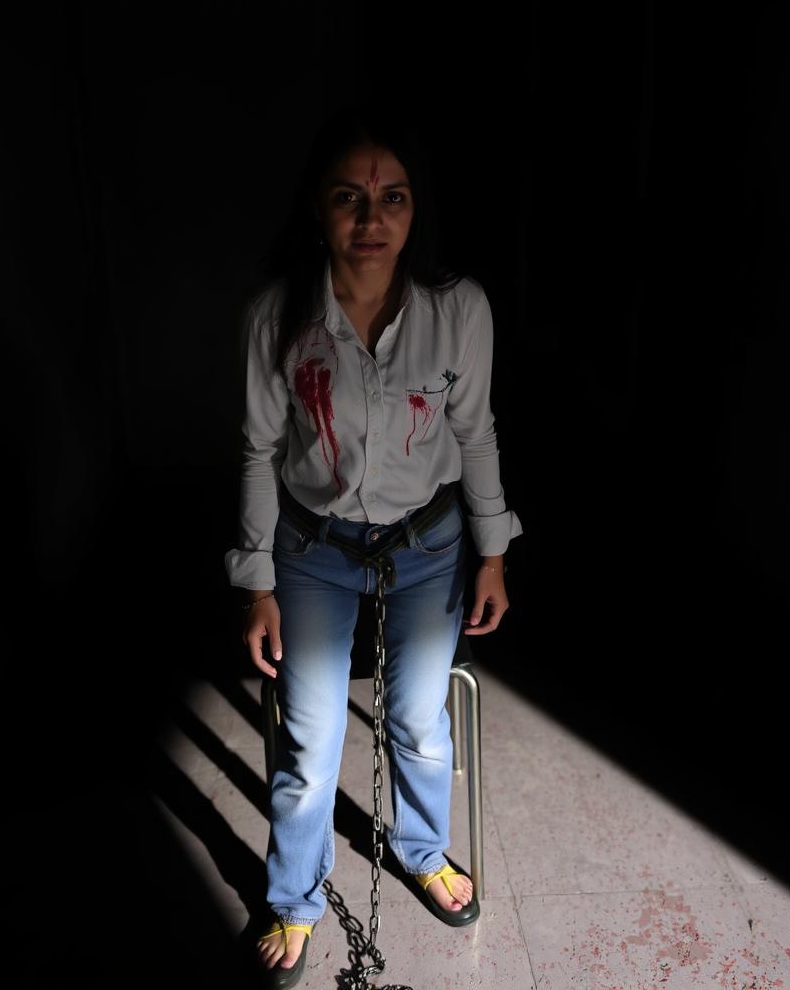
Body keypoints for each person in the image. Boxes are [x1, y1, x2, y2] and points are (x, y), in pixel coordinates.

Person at [224, 103, 523, 988]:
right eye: (350, 197)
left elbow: (474, 434)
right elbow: (255, 450)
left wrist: (494, 550)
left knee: (419, 725)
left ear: (415, 208)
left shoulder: (457, 309)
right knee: (312, 742)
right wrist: (256, 582)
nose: (371, 218)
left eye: (392, 197)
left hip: (427, 545)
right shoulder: (277, 316)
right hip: (312, 549)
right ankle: (293, 899)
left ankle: (423, 849)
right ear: (317, 206)